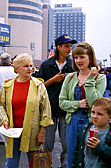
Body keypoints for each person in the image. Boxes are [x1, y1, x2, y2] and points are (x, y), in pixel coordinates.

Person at [0, 53, 54, 168]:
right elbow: (1, 105)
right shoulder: (8, 86)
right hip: (12, 131)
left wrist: (42, 132)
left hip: (33, 132)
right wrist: (4, 120)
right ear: (17, 69)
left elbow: (46, 110)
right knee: (11, 164)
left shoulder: (39, 85)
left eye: (31, 66)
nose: (30, 69)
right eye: (26, 66)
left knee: (36, 164)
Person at [59, 42, 106, 168]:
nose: (78, 60)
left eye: (82, 57)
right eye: (76, 57)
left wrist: (90, 79)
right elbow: (61, 102)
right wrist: (77, 104)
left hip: (91, 123)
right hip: (72, 122)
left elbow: (95, 103)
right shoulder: (70, 77)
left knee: (89, 157)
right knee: (72, 156)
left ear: (90, 58)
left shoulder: (100, 78)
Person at [36, 34, 77, 168]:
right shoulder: (46, 65)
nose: (69, 49)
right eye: (66, 46)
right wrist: (53, 80)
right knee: (48, 144)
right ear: (58, 47)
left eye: (70, 46)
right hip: (49, 110)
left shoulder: (74, 65)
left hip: (67, 111)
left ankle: (65, 166)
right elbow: (38, 86)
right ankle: (46, 165)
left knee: (67, 143)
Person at [72, 97, 111, 167]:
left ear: (110, 118)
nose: (94, 116)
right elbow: (77, 154)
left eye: (100, 114)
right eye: (93, 112)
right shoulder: (85, 129)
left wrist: (99, 147)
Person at [0, 53, 17, 144]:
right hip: (13, 97)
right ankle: (12, 136)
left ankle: (2, 139)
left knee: (0, 119)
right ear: (10, 61)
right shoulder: (15, 71)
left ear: (1, 61)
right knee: (12, 117)